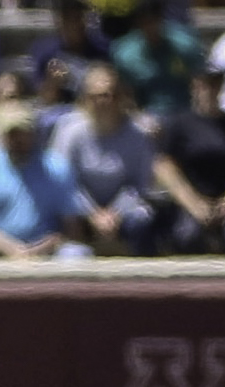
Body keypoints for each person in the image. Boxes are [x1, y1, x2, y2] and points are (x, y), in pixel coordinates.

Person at [0, 101, 90, 258]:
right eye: (11, 133)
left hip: (44, 248)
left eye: (22, 132)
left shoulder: (56, 167)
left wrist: (48, 244)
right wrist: (11, 248)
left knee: (76, 254)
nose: (16, 139)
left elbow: (72, 226)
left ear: (33, 132)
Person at [156, 64, 225, 252]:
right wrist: (194, 204)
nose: (209, 90)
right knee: (186, 235)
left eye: (214, 84)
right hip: (191, 202)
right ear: (194, 86)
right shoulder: (179, 124)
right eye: (203, 84)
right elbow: (166, 169)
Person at [53, 64, 158, 253]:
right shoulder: (69, 132)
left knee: (143, 220)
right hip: (79, 209)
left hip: (123, 211)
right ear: (85, 99)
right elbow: (65, 183)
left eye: (111, 95)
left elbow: (139, 184)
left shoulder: (139, 135)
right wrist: (93, 214)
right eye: (98, 96)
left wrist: (114, 213)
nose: (105, 101)